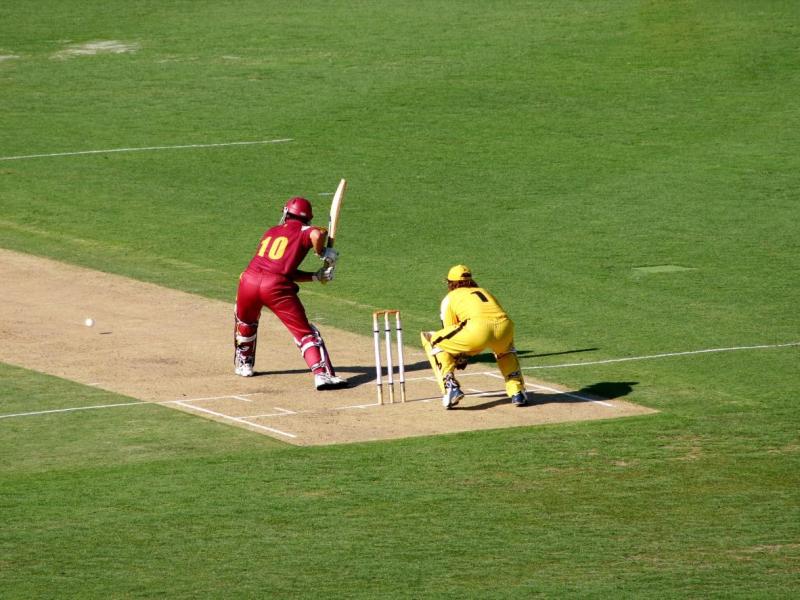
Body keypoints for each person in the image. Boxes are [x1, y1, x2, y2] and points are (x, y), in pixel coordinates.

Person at [233, 196, 348, 390]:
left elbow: (283, 268)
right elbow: (318, 234)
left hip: (248, 281)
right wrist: (321, 252)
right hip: (275, 287)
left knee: (246, 323)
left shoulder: (272, 231)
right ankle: (322, 375)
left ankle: (244, 365)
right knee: (306, 334)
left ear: (287, 213)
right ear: (307, 218)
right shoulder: (305, 230)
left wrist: (315, 276)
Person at [421, 265, 527, 409]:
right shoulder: (484, 291)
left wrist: (460, 357)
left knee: (433, 340)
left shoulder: (450, 297)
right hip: (505, 327)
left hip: (477, 331)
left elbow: (449, 330)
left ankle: (450, 387)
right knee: (505, 351)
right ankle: (517, 391)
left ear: (450, 283)